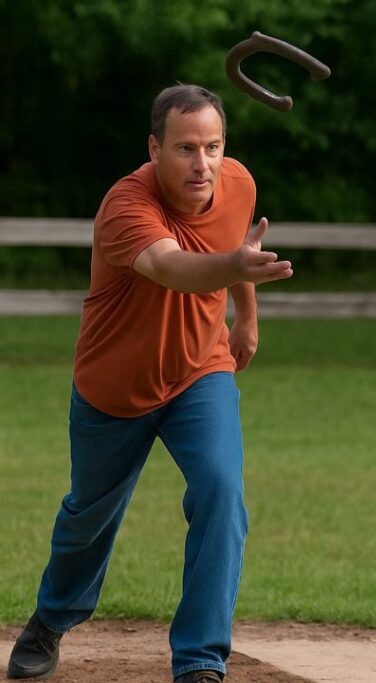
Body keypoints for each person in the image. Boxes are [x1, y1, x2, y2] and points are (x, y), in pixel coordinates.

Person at [6, 84, 292, 682]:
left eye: (213, 146)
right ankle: (50, 620)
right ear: (154, 148)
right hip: (116, 389)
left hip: (199, 371)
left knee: (221, 492)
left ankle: (199, 662)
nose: (203, 163)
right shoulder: (125, 206)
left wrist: (248, 314)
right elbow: (174, 268)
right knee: (88, 516)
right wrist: (237, 270)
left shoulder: (236, 183)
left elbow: (234, 244)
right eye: (186, 148)